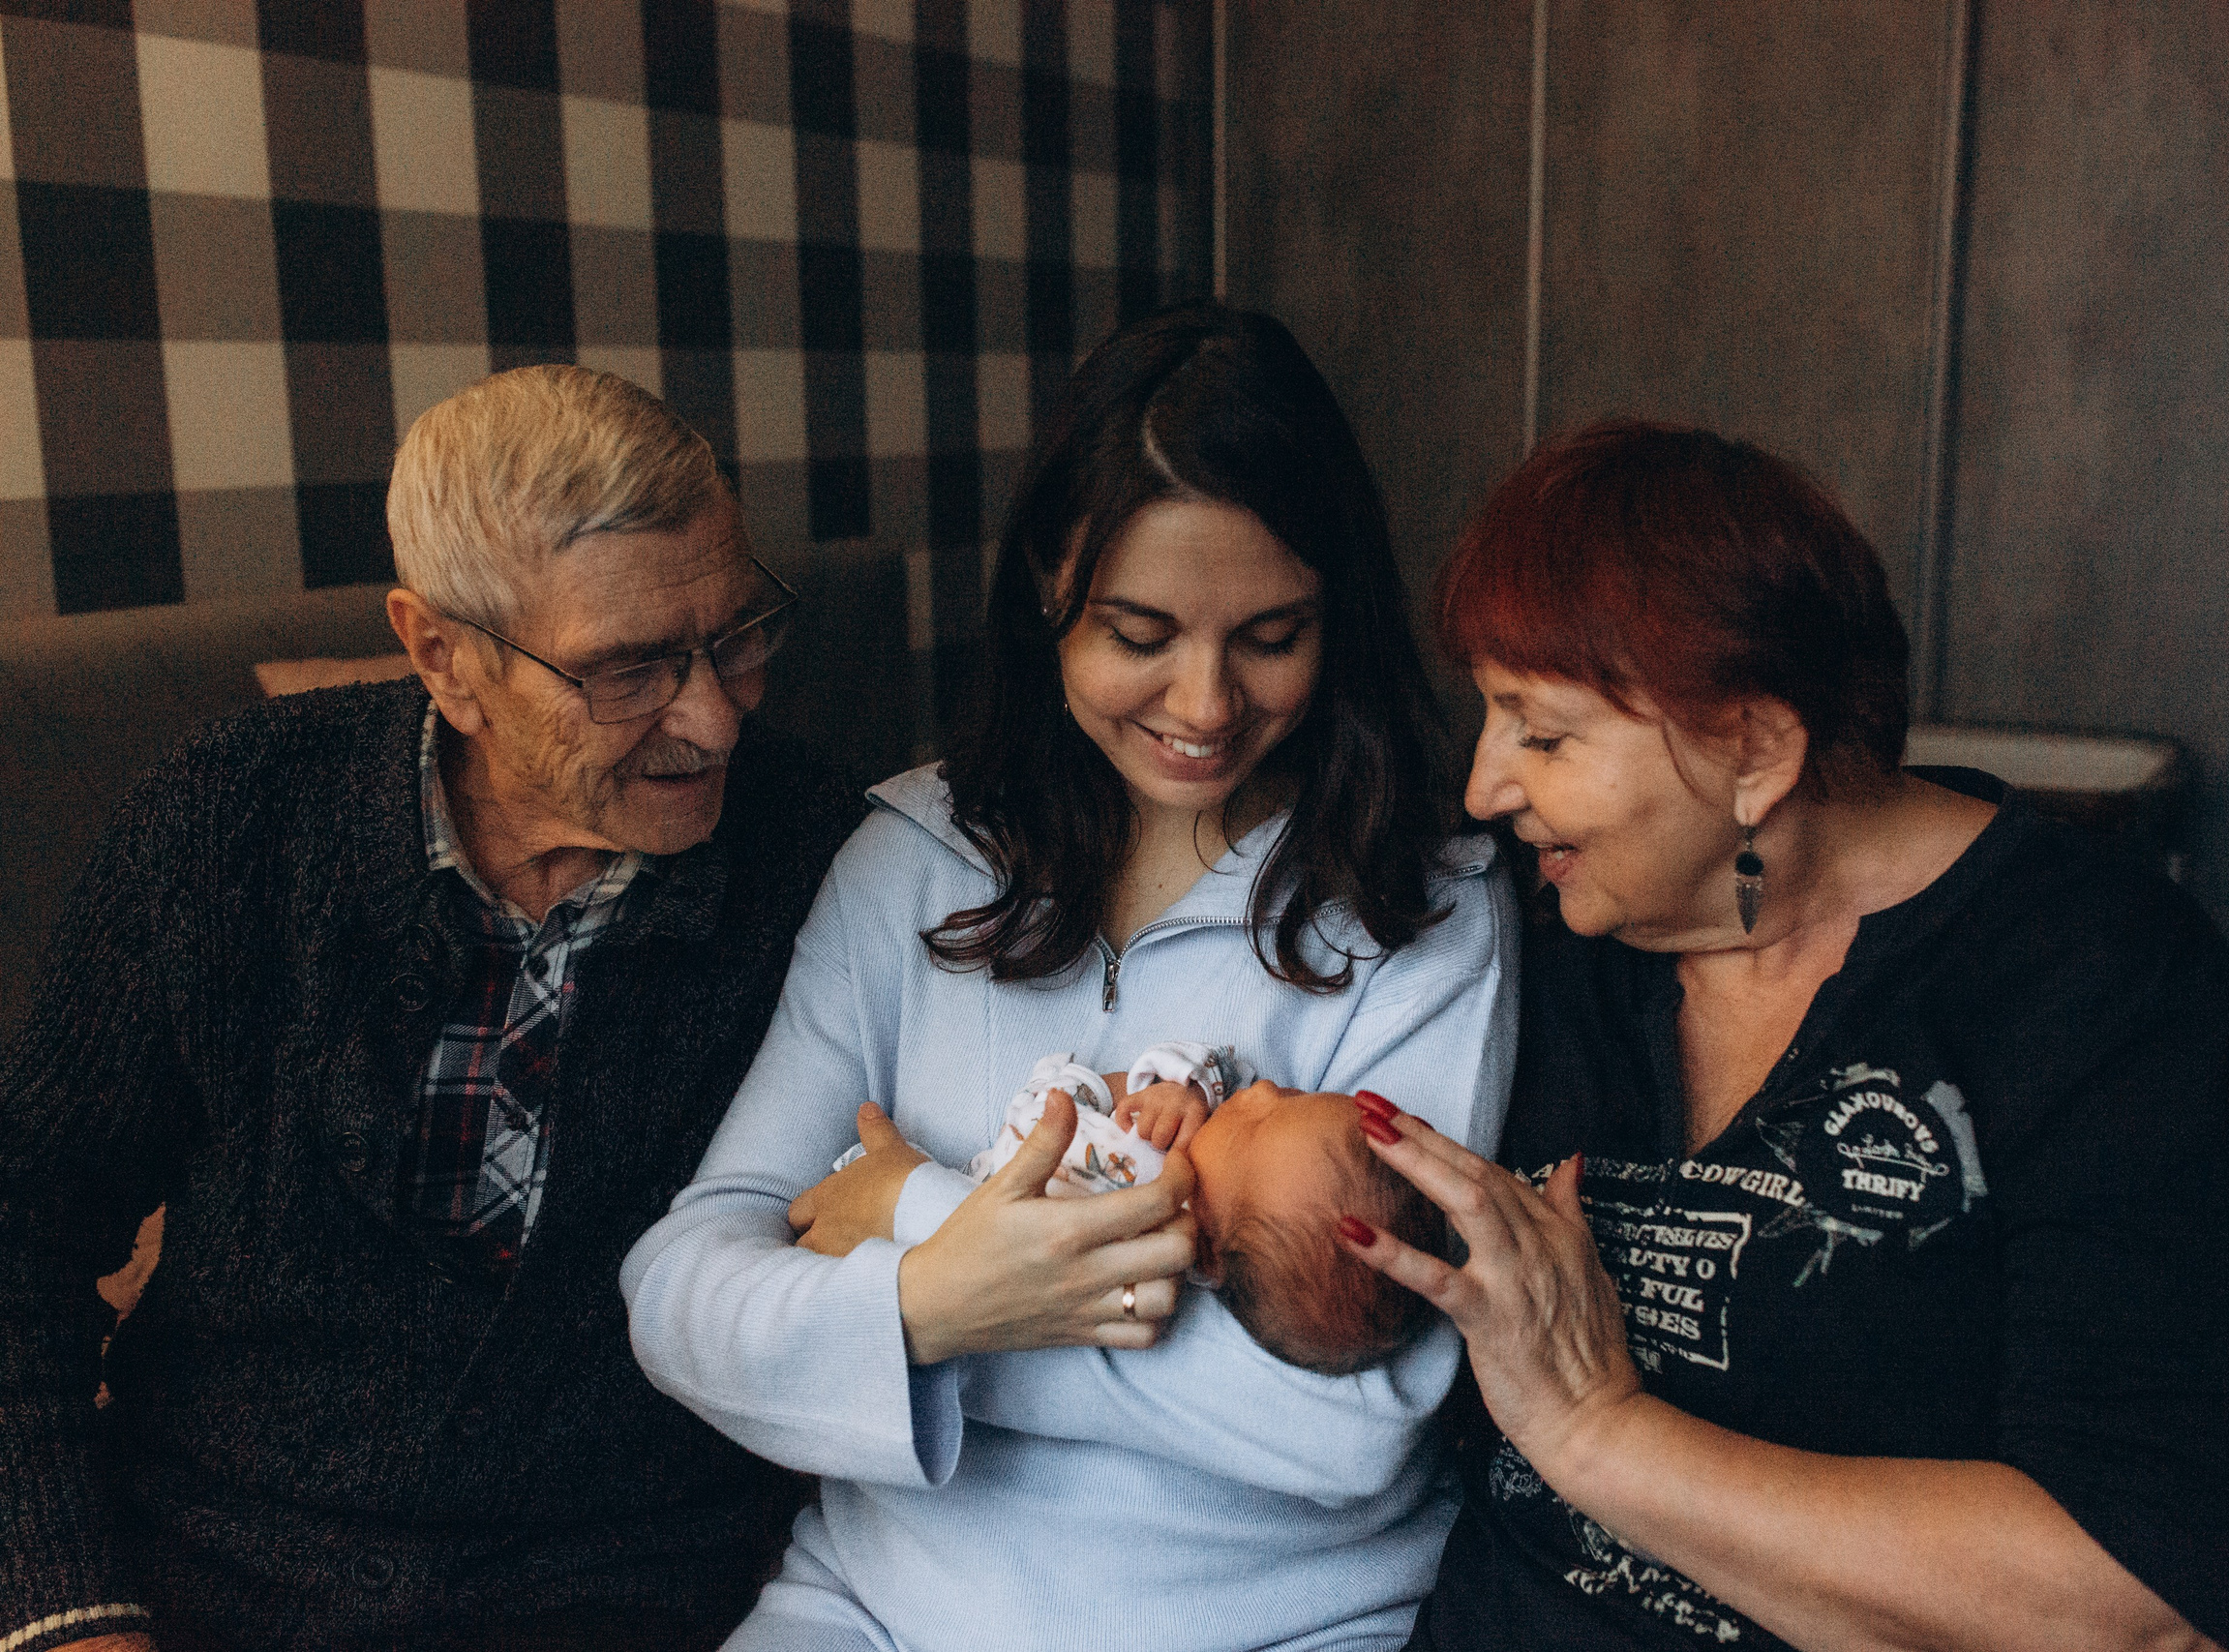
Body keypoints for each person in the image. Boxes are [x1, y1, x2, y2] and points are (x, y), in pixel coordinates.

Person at [1338, 421, 2229, 1652]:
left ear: (1757, 749)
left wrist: (1599, 1435)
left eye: (1542, 734)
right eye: (1490, 720)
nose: (1483, 788)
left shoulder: (2089, 975)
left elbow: (2135, 1597)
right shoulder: (1549, 934)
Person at [622, 303, 1518, 1652]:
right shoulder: (909, 861)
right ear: (1050, 589)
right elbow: (682, 1292)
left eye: (1271, 634)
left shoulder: (1428, 909)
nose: (1206, 704)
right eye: (1142, 633)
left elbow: (1356, 1423)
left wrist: (925, 1237)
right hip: (874, 1607)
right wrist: (932, 1302)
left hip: (1279, 1624)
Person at [0, 366, 864, 1652]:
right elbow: (23, 1231)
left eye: (735, 636)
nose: (716, 716)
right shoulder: (231, 818)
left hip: (627, 1584)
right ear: (443, 655)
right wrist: (71, 1610)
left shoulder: (818, 859)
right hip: (208, 1567)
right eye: (630, 669)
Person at [824, 1042, 1450, 1374]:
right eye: (1288, 1091)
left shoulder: (1140, 1258)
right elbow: (1127, 1085)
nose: (1257, 1089)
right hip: (937, 1197)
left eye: (1258, 1123)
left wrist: (906, 1196)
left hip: (923, 1225)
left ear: (1207, 1255)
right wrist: (1170, 1092)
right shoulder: (1170, 1124)